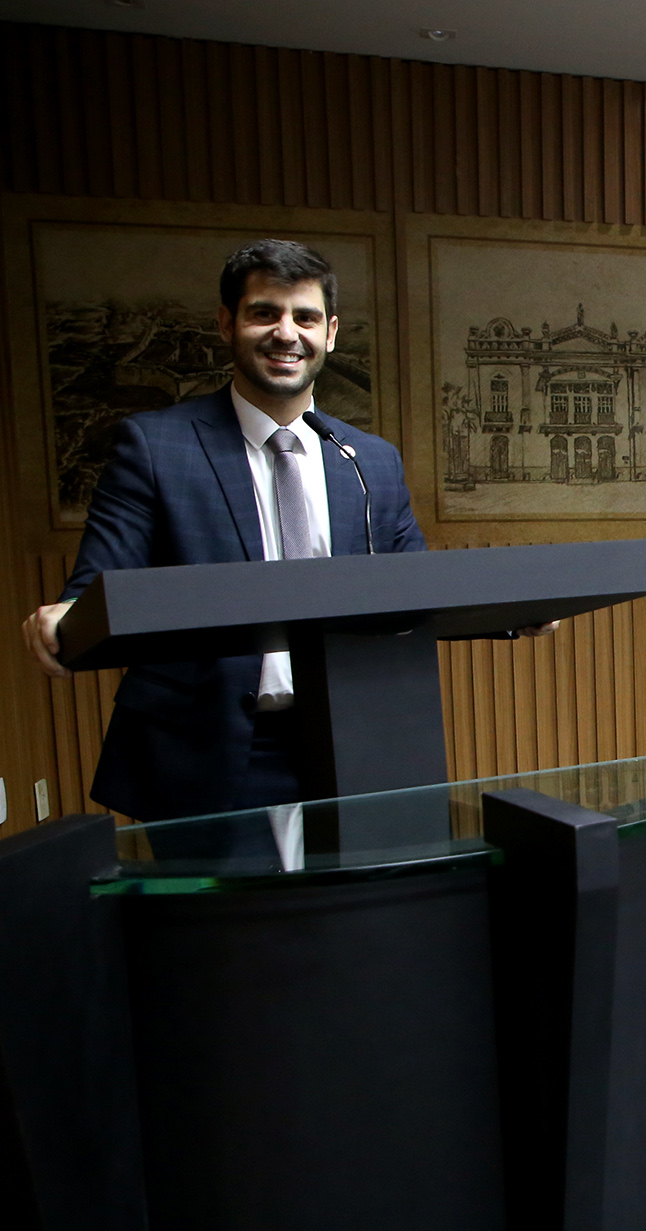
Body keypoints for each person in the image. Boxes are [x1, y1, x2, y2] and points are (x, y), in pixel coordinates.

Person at [20, 240, 447, 820]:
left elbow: (421, 589)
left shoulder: (369, 459)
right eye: (264, 313)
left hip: (356, 740)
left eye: (305, 317)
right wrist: (68, 615)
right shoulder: (155, 445)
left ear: (330, 332)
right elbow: (99, 579)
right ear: (227, 323)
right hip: (205, 749)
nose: (286, 333)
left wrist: (514, 610)